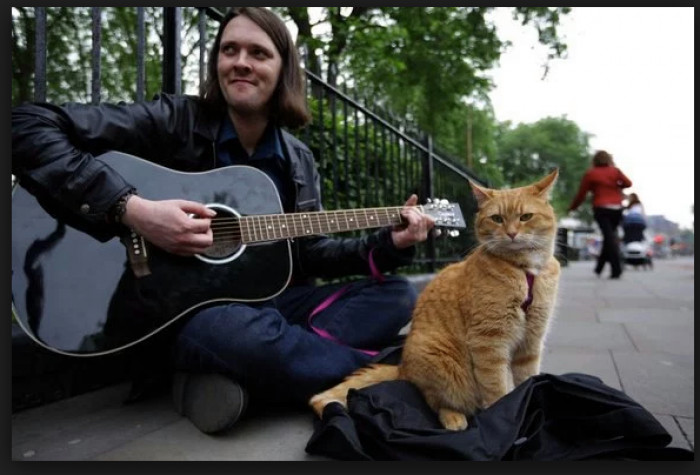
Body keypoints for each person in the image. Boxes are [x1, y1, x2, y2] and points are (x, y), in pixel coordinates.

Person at [12, 7, 434, 434]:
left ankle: (251, 377)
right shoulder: (175, 121)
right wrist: (134, 211)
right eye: (229, 50)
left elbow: (310, 254)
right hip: (185, 317)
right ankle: (378, 370)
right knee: (230, 332)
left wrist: (388, 245)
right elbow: (25, 125)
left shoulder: (297, 159)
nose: (240, 62)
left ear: (283, 70)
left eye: (258, 52)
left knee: (398, 295)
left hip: (272, 308)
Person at [568, 150, 632, 279]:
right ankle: (599, 268)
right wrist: (617, 185)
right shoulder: (615, 171)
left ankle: (616, 270)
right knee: (610, 237)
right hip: (617, 209)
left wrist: (572, 207)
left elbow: (582, 193)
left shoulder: (591, 174)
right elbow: (628, 183)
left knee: (609, 238)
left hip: (601, 208)